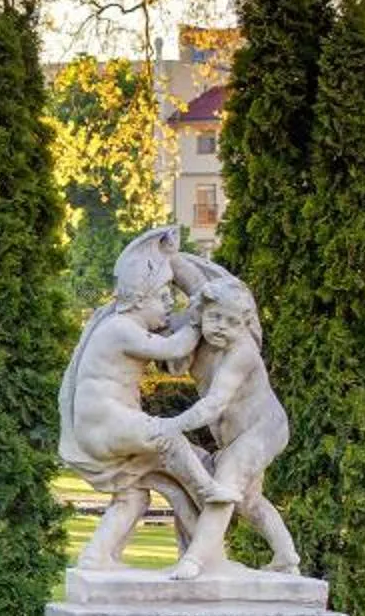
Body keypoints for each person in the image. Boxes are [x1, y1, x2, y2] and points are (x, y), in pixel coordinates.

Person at [59, 226, 232, 569]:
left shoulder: (124, 327)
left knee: (134, 497)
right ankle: (210, 489)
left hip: (104, 429)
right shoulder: (121, 328)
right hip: (107, 423)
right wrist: (199, 316)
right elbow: (175, 348)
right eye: (163, 297)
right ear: (140, 299)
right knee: (169, 437)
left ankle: (98, 557)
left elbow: (171, 361)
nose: (169, 304)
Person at [163, 252, 300, 577]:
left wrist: (173, 426)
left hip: (264, 428)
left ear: (243, 324)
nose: (221, 328)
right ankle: (286, 557)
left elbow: (214, 403)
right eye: (215, 318)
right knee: (248, 502)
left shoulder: (242, 353)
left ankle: (196, 560)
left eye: (231, 322)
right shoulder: (202, 339)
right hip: (239, 434)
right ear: (202, 314)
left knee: (224, 481)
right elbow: (175, 352)